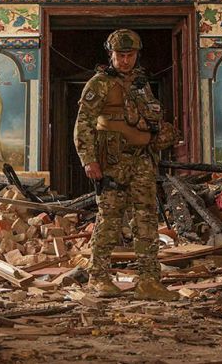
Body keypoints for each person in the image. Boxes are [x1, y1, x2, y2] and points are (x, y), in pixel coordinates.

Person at [74, 30, 180, 300]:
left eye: (129, 55)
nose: (124, 60)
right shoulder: (99, 84)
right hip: (112, 162)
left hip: (142, 160)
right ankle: (98, 277)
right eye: (120, 55)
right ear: (110, 55)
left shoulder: (141, 83)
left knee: (146, 218)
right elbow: (83, 122)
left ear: (136, 55)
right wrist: (89, 160)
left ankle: (148, 280)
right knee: (109, 218)